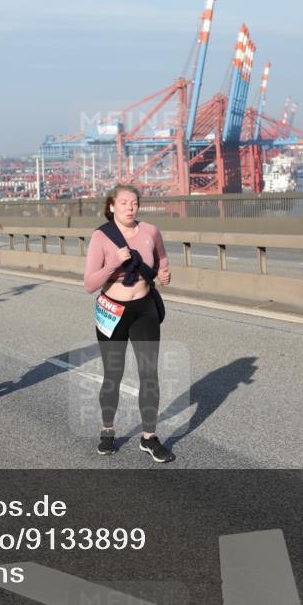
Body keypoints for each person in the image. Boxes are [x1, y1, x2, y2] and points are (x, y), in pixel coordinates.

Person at [83, 185, 174, 463]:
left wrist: (165, 274)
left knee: (149, 374)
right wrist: (112, 265)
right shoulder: (101, 236)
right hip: (113, 310)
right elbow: (89, 284)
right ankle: (107, 430)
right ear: (111, 206)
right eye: (123, 203)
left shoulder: (150, 231)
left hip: (144, 308)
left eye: (134, 202)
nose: (129, 207)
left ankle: (149, 437)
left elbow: (161, 258)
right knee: (114, 373)